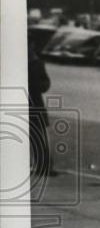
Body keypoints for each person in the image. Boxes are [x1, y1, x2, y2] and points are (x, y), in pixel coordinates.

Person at [28, 39, 57, 179]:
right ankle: (41, 165)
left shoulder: (37, 64)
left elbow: (46, 83)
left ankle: (45, 166)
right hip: (28, 103)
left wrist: (38, 86)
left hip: (35, 104)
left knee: (38, 137)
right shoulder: (31, 63)